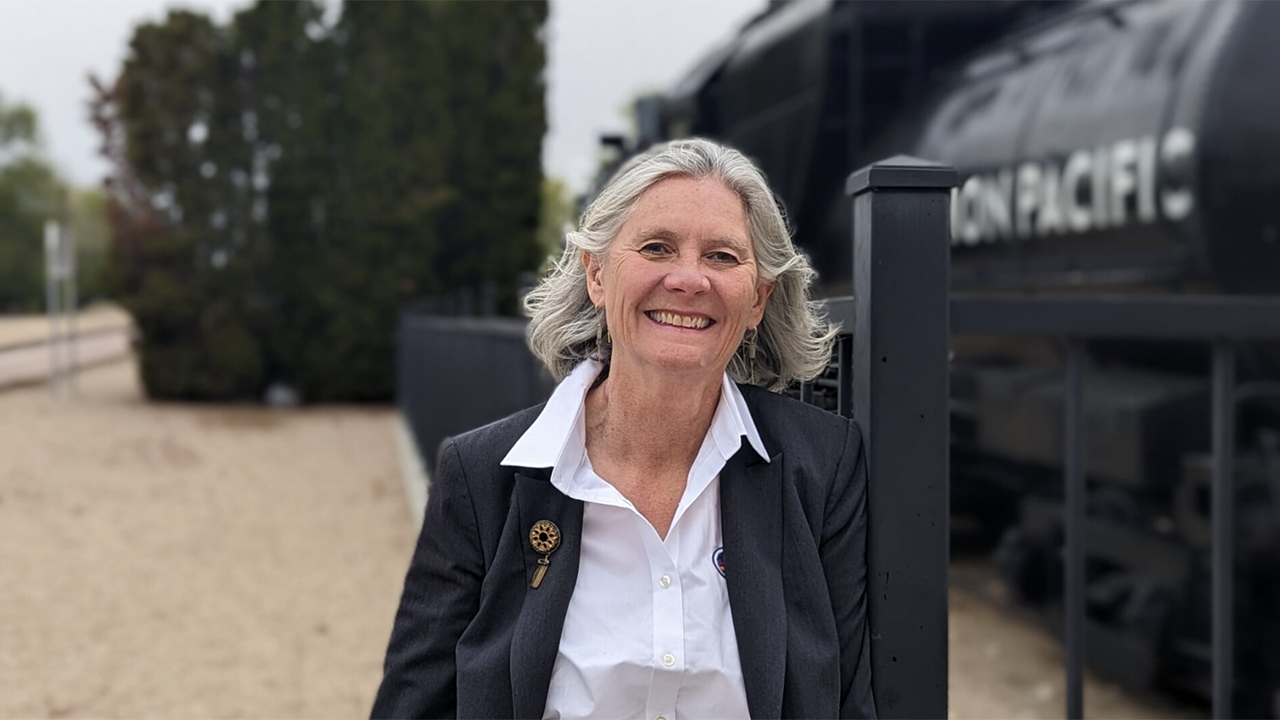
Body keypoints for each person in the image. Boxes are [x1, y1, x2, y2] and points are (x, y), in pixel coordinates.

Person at [371, 139, 875, 719]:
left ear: (758, 299)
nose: (689, 279)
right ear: (597, 276)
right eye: (657, 248)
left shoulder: (824, 465)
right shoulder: (484, 475)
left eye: (722, 257)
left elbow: (849, 704)